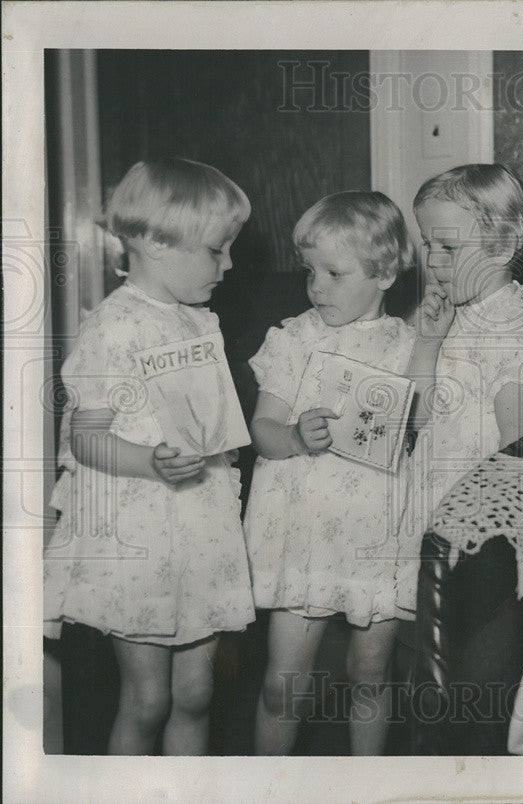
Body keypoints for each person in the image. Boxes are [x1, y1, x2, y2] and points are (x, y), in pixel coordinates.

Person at [43, 158, 255, 755]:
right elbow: (85, 438)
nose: (230, 265)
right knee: (148, 699)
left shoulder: (198, 321)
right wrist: (149, 461)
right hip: (140, 532)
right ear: (157, 242)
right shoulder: (112, 328)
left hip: (198, 528)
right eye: (218, 250)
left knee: (195, 696)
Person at [244, 191, 417, 755]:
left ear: (385, 272)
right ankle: (269, 789)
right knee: (283, 684)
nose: (316, 286)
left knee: (370, 673)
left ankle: (367, 786)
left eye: (335, 273)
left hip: (376, 534)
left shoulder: (410, 347)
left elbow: (425, 430)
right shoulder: (295, 339)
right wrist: (294, 437)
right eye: (309, 270)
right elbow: (262, 429)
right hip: (304, 535)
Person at [396, 163, 523, 618]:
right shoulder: (450, 313)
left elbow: (518, 444)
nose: (433, 262)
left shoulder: (507, 326)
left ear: (504, 245)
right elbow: (413, 417)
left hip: (472, 508)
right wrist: (428, 343)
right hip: (428, 494)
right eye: (428, 245)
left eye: (449, 248)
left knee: (457, 634)